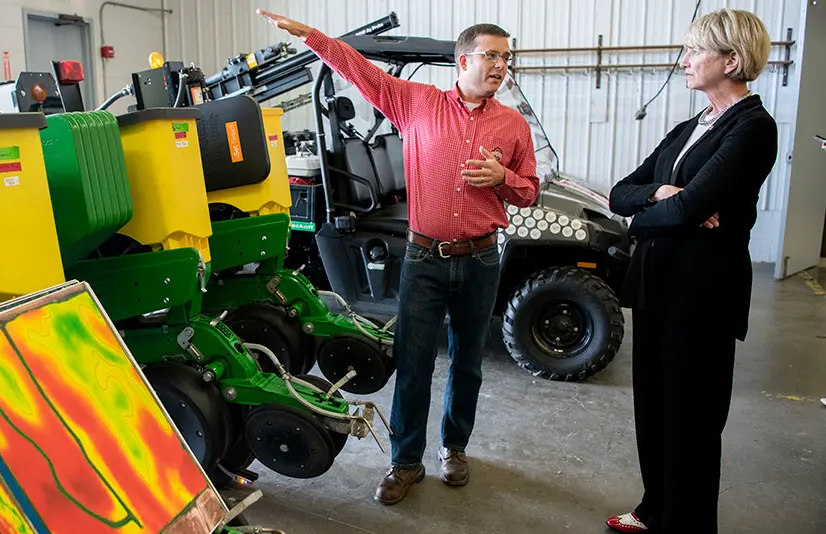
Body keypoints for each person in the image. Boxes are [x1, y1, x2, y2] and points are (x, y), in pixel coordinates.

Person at [256, 9, 539, 505]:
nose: (501, 65)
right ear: (463, 59)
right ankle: (406, 462)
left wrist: (504, 180)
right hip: (424, 259)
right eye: (492, 56)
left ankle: (455, 448)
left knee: (468, 363)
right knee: (414, 364)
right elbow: (360, 70)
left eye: (506, 58)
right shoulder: (415, 102)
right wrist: (315, 37)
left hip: (480, 260)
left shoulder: (512, 125)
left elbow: (530, 192)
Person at [605, 9, 777, 534]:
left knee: (693, 421)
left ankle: (688, 523)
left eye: (693, 50)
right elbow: (620, 192)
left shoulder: (752, 127)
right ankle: (654, 508)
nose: (683, 61)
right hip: (658, 287)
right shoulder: (689, 127)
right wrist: (659, 195)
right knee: (654, 411)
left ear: (731, 58)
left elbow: (683, 211)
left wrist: (644, 223)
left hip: (703, 296)